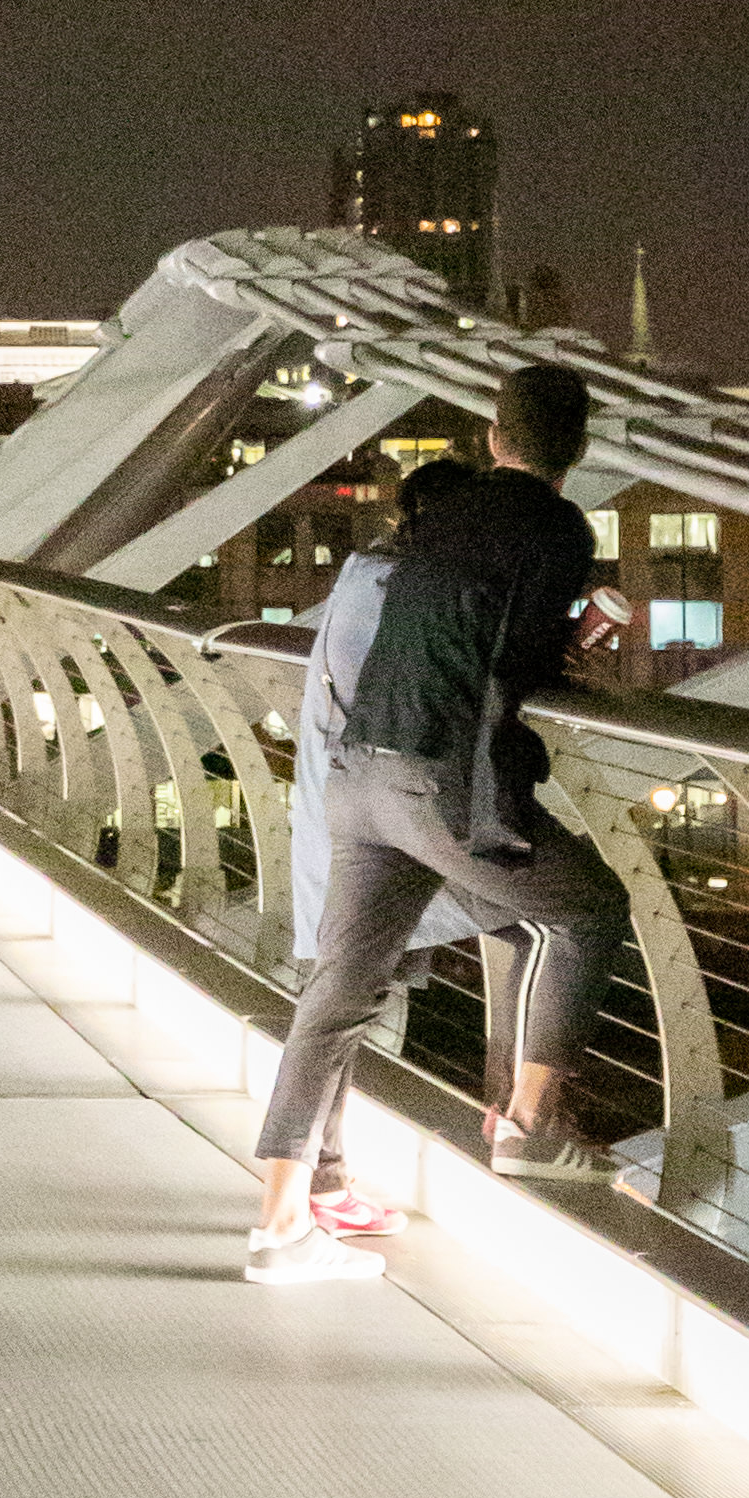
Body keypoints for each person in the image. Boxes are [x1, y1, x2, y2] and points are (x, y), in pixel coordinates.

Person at [244, 363, 630, 1290]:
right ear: (577, 452)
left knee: (338, 993)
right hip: (439, 783)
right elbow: (511, 661)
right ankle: (528, 1125)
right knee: (587, 910)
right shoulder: (559, 529)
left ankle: (280, 1224)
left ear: (494, 438)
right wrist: (573, 650)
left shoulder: (439, 518)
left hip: (359, 776)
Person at [281, 457, 481, 1236]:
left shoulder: (367, 575)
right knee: (341, 1008)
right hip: (374, 824)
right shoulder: (406, 591)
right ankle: (310, 1193)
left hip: (348, 812)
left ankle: (316, 1185)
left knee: (343, 1004)